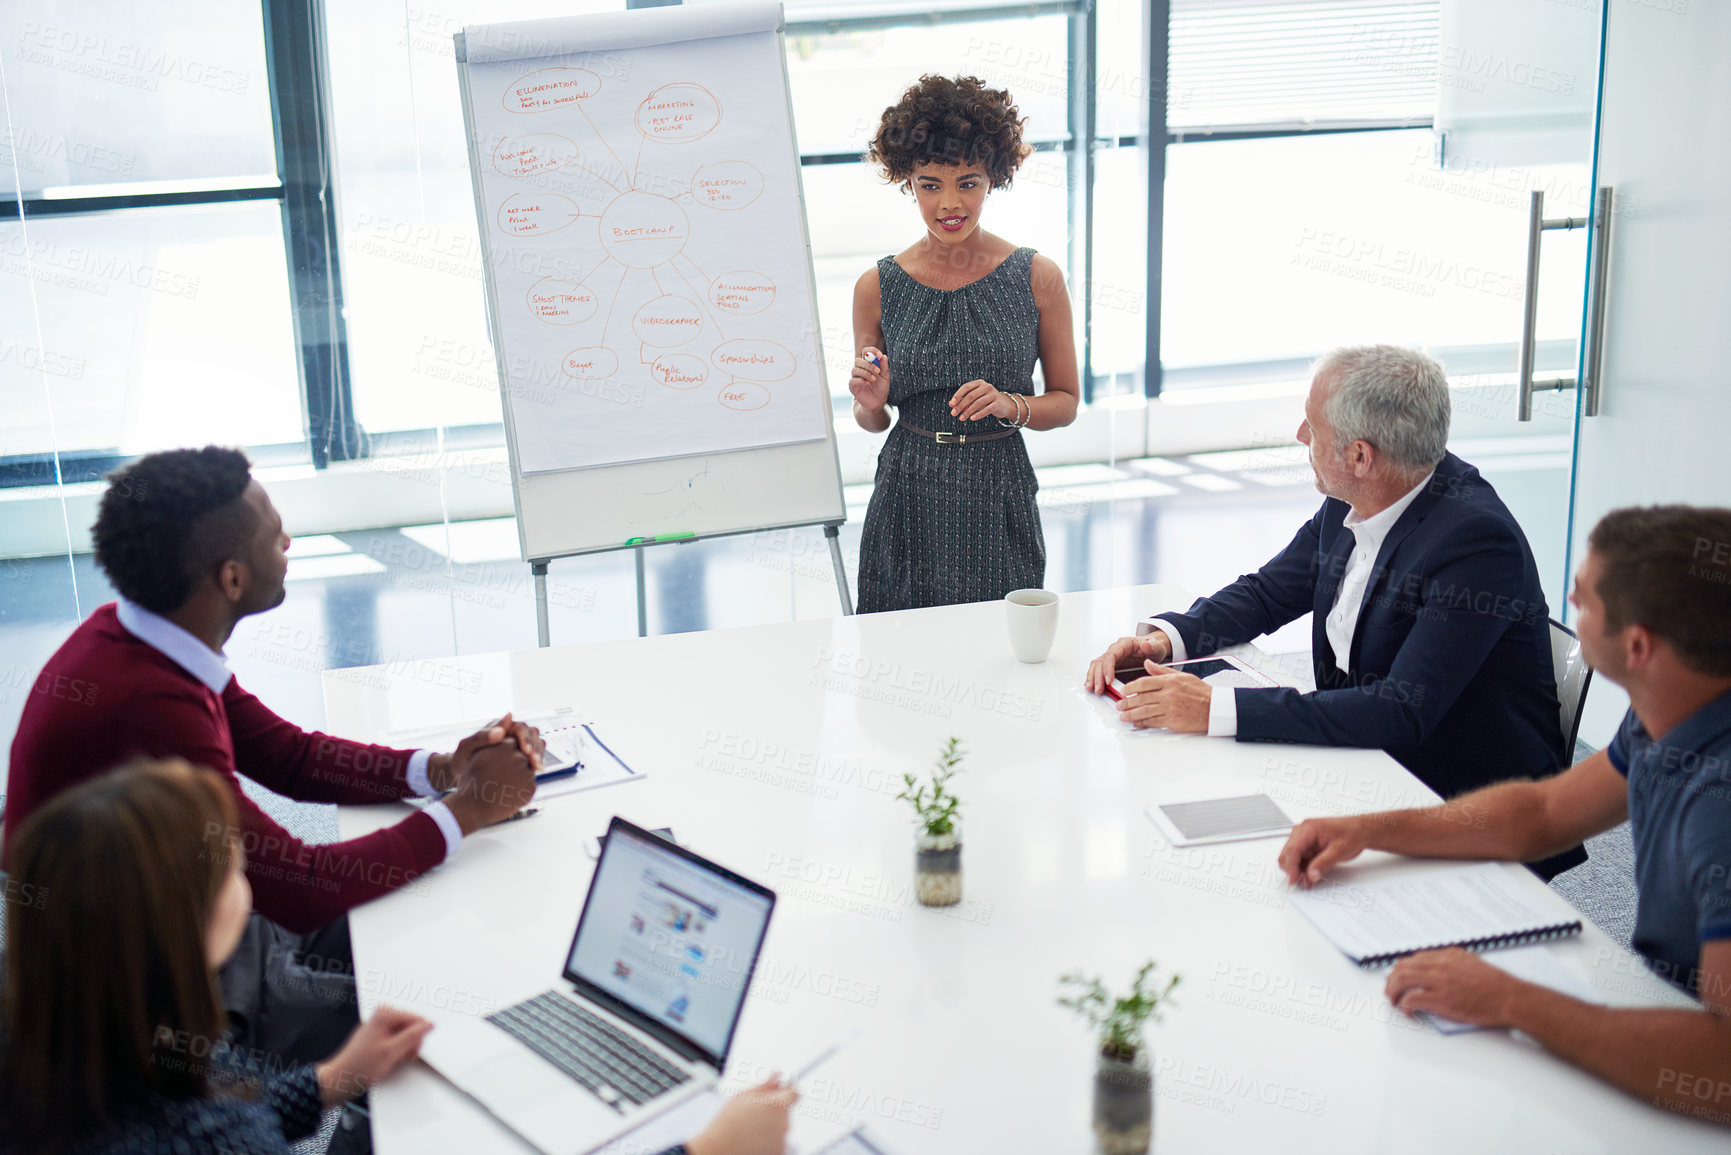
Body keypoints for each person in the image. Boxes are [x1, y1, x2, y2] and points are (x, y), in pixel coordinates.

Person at [4, 446, 541, 1068]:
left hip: (185, 911)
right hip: (142, 991)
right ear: (231, 578)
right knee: (413, 1008)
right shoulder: (145, 703)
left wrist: (441, 771)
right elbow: (296, 889)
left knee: (421, 908)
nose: (288, 539)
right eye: (273, 533)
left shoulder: (143, 633)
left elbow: (289, 756)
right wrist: (468, 811)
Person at [0, 760, 798, 1154]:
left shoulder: (55, 1040)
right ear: (189, 930)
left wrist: (327, 1081)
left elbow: (206, 1121)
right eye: (228, 865)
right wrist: (700, 1150)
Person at [1276, 506, 1731, 1127]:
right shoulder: (1676, 706)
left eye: (1587, 594)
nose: (1567, 595)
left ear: (1637, 645)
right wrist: (1371, 830)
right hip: (1653, 1005)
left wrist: (1511, 1000)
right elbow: (1544, 811)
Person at [1083, 346, 1577, 873]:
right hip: (1362, 762)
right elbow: (1270, 590)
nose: (1300, 436)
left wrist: (1213, 708)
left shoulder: (1477, 542)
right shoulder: (1358, 493)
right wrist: (1166, 639)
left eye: (1312, 427)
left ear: (1361, 457)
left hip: (1455, 803)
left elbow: (1399, 710)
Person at [848, 74, 1080, 612]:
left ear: (994, 178)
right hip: (907, 490)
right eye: (931, 184)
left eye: (968, 182)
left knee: (1000, 652)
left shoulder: (1037, 276)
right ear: (907, 180)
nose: (950, 203)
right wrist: (870, 404)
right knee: (896, 651)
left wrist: (1010, 404)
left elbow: (1066, 402)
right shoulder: (875, 287)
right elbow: (872, 421)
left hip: (997, 485)